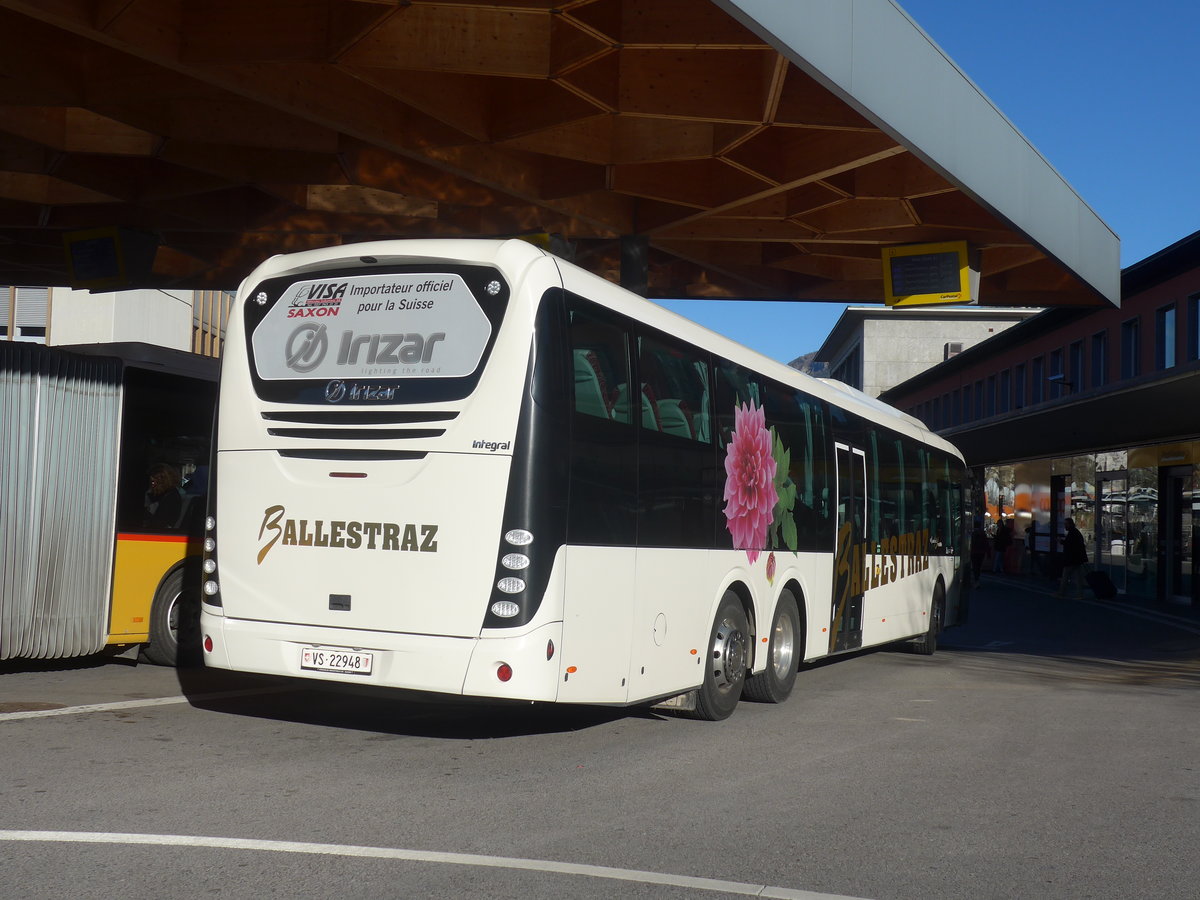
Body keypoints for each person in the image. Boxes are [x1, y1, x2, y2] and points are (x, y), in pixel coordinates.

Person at [143, 462, 183, 530]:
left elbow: (159, 524)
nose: (152, 485)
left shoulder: (171, 498)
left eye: (153, 482)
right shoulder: (166, 495)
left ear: (162, 481)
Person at [1058, 517, 1088, 599]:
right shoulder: (1076, 532)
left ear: (1069, 524)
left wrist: (1061, 541)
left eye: (1066, 524)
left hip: (1071, 559)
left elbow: (1069, 545)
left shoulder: (1072, 533)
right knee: (1078, 577)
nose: (1065, 526)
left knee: (1065, 576)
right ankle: (1080, 594)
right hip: (1077, 559)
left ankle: (1061, 593)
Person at [969, 518, 989, 587]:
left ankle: (976, 579)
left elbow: (971, 543)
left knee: (975, 566)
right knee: (979, 566)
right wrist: (988, 552)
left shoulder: (973, 533)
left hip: (974, 552)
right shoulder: (982, 533)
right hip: (981, 552)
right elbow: (986, 543)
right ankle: (977, 579)